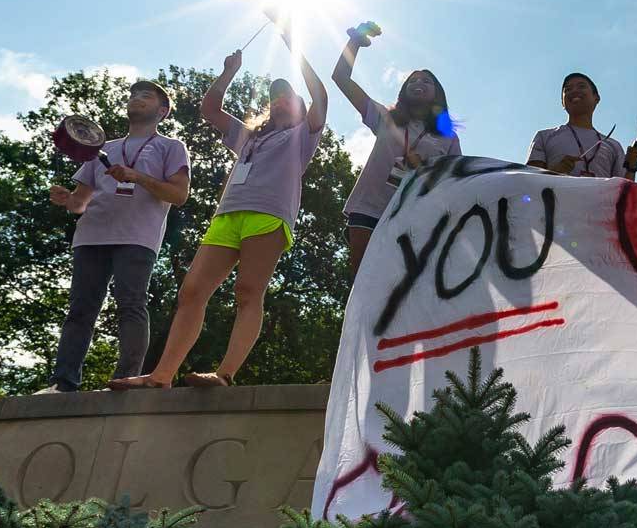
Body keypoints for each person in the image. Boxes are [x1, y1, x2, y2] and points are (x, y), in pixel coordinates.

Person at [111, 20, 328, 389]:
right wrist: (229, 72)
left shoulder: (303, 136)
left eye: (287, 96)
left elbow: (321, 95)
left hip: (268, 217)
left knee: (247, 291)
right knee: (192, 292)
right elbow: (210, 109)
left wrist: (293, 43)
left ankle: (225, 373)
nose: (279, 100)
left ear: (300, 107)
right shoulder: (249, 137)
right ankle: (161, 375)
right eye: (274, 96)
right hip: (226, 217)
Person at [42, 79, 190, 392]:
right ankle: (63, 382)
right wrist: (65, 198)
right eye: (134, 94)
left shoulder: (171, 147)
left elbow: (178, 195)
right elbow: (79, 204)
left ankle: (125, 381)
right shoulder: (102, 149)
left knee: (131, 305)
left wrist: (136, 175)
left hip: (137, 237)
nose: (137, 98)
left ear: (162, 111)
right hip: (91, 236)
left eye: (145, 96)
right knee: (81, 310)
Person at [331, 26, 459, 278]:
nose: (418, 83)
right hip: (368, 209)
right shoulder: (384, 117)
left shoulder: (448, 137)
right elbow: (341, 78)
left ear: (438, 95)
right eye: (412, 80)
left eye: (426, 81)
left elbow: (454, 180)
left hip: (414, 219)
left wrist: (426, 168)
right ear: (403, 91)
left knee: (399, 294)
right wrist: (355, 41)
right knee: (363, 286)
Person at [526, 72, 637, 180]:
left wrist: (632, 167)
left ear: (596, 98)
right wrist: (555, 172)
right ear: (562, 102)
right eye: (568, 89)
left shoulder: (613, 146)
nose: (574, 91)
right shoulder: (544, 137)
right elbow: (529, 182)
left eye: (581, 86)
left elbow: (624, 192)